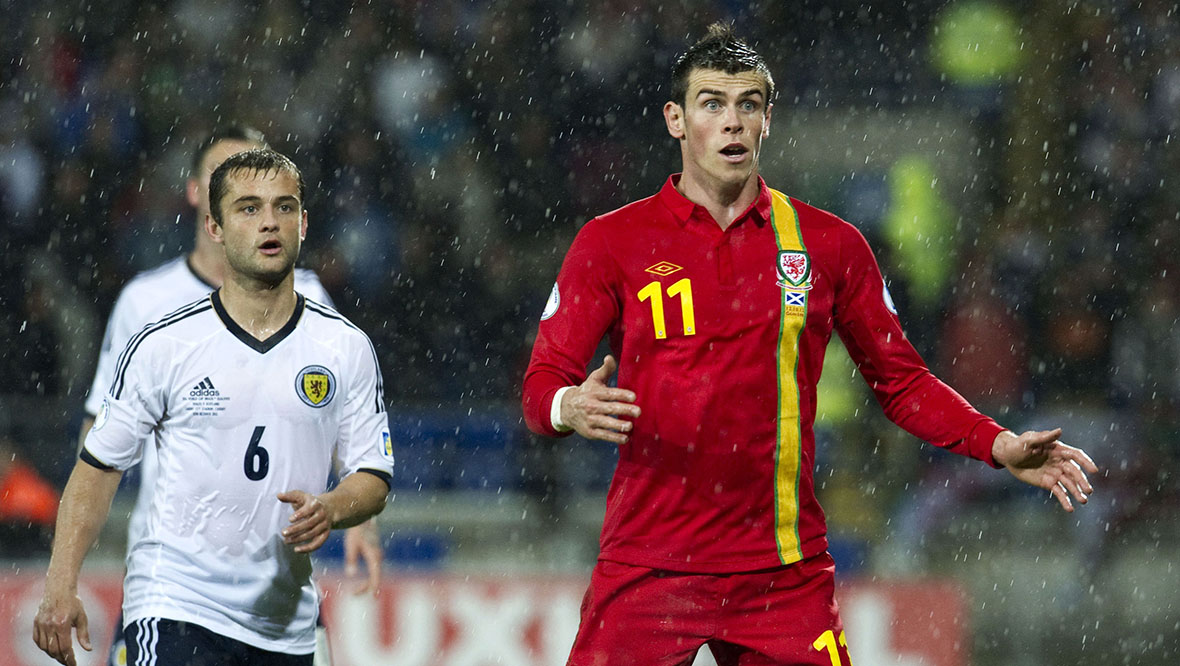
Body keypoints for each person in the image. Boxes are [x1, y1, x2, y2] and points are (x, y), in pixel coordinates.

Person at [521, 23, 1099, 666]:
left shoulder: (829, 245)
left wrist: (995, 442)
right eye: (712, 103)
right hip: (651, 567)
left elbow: (900, 381)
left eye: (749, 104)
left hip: (782, 572)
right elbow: (542, 382)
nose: (732, 122)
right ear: (676, 120)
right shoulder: (612, 242)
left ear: (768, 120)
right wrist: (566, 407)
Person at [34, 149, 394, 666]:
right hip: (175, 605)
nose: (269, 221)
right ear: (215, 226)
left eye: (284, 207)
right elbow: (97, 470)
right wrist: (60, 582)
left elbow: (373, 473)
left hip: (284, 625)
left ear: (305, 222)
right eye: (248, 208)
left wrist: (333, 508)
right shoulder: (164, 343)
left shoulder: (345, 347)